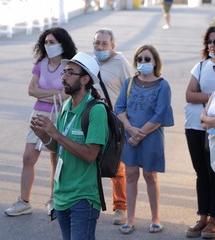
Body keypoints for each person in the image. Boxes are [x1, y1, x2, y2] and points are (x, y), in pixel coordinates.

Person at [30, 52, 109, 240]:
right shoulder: (66, 106)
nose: (63, 77)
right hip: (62, 194)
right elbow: (59, 148)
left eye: (69, 73)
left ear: (84, 79)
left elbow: (90, 154)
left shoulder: (96, 110)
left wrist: (55, 133)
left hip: (83, 197)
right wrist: (44, 134)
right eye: (63, 72)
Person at [4, 27, 77, 217]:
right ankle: (24, 201)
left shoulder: (69, 66)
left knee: (56, 158)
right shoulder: (41, 63)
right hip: (39, 114)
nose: (48, 46)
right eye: (46, 42)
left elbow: (65, 96)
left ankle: (54, 199)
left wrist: (44, 93)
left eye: (52, 42)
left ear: (62, 43)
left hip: (59, 115)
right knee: (28, 157)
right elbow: (31, 90)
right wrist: (53, 94)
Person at [114, 44, 174, 234]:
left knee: (150, 175)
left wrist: (140, 134)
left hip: (151, 137)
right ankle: (130, 219)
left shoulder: (163, 85)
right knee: (130, 175)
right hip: (130, 135)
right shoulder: (129, 82)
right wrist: (131, 130)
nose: (143, 62)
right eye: (139, 59)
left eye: (147, 59)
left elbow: (160, 114)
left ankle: (155, 218)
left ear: (155, 61)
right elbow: (119, 109)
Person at [93, 28, 133, 225]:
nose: (100, 47)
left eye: (104, 44)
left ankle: (121, 207)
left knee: (116, 165)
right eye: (97, 43)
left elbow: (131, 91)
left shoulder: (121, 63)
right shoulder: (91, 63)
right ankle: (90, 203)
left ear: (112, 46)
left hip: (114, 121)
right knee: (89, 161)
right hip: (92, 119)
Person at [185, 25, 215, 239]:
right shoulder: (201, 66)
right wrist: (212, 97)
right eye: (210, 42)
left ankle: (213, 219)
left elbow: (197, 94)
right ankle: (203, 216)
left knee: (214, 174)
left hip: (213, 130)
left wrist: (203, 96)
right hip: (194, 127)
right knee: (201, 174)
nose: (212, 45)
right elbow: (189, 95)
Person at [201, 91, 215, 172]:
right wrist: (211, 122)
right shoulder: (213, 94)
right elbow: (202, 123)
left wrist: (206, 119)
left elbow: (203, 117)